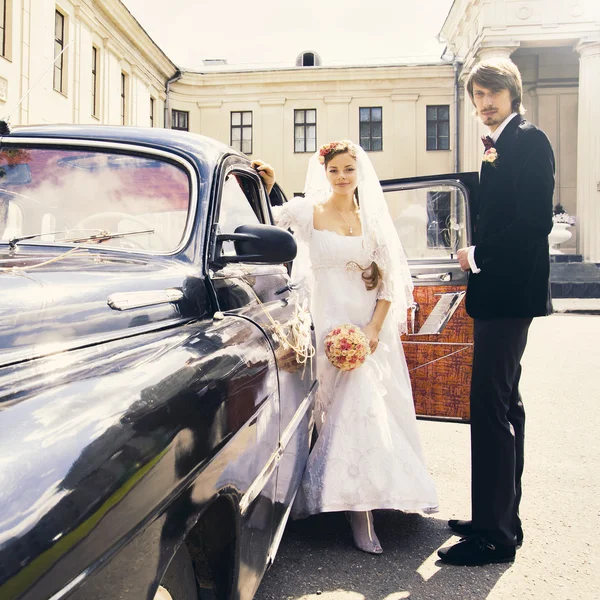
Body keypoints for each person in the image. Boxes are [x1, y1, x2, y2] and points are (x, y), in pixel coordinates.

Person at [252, 141, 438, 555]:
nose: (341, 177)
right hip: (324, 324)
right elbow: (266, 224)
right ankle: (323, 493)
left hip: (362, 328)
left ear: (359, 172)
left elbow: (389, 281)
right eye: (334, 170)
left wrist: (372, 329)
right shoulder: (307, 211)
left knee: (360, 402)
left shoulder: (371, 218)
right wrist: (268, 187)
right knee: (325, 410)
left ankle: (361, 508)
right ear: (324, 172)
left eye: (348, 170)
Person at [437, 58, 555, 566]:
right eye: (477, 97)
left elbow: (534, 223)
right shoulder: (499, 144)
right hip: (501, 294)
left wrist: (475, 256)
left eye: (492, 94)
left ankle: (493, 536)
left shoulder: (529, 140)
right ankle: (502, 516)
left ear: (512, 93)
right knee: (506, 407)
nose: (484, 104)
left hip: (509, 294)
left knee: (488, 409)